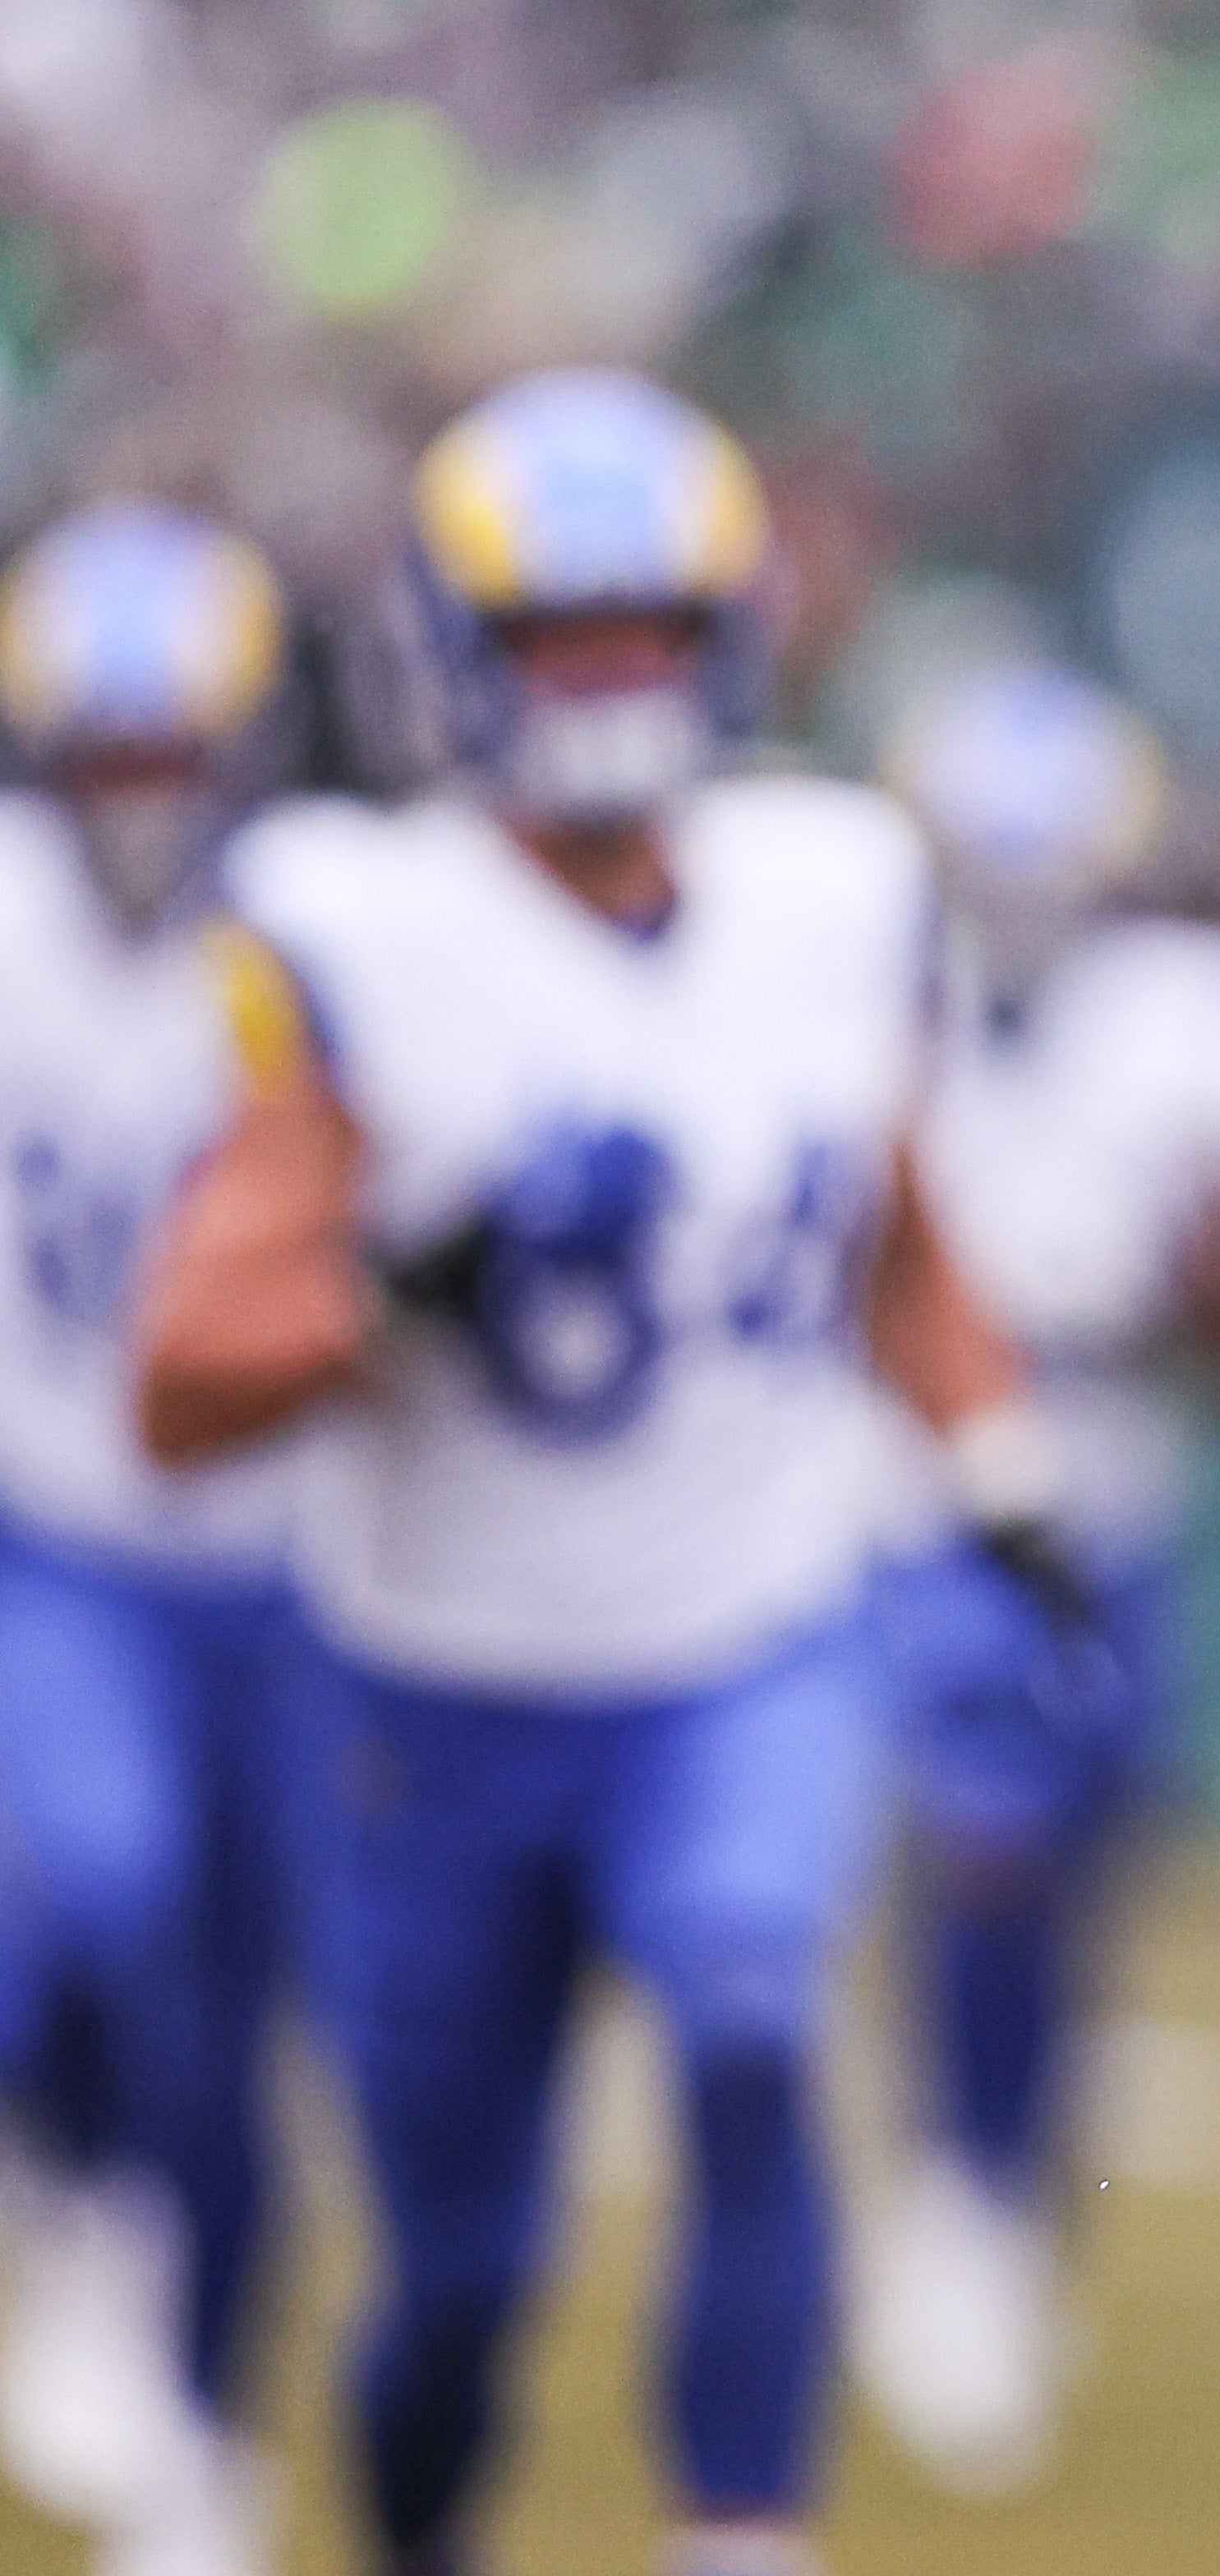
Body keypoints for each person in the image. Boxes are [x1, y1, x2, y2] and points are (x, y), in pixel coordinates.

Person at [130, 371, 1089, 2576]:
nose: (607, 685)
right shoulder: (357, 926)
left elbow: (894, 1233)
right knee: (460, 2265)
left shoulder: (838, 886)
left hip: (743, 1637)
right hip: (435, 1683)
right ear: (458, 656)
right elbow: (183, 1383)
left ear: (728, 636)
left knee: (752, 2018)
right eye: (557, 640)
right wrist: (397, 1289)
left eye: (644, 631)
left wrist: (1001, 1463)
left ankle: (740, 2533)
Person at [852, 656, 1220, 2486]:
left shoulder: (1185, 1011)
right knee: (981, 1840)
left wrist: (1208, 1289)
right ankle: (954, 2196)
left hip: (1121, 1488)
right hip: (918, 1480)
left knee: (1087, 1854)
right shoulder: (867, 994)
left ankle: (1003, 2190)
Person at [0, 503, 304, 2576]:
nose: (138, 795)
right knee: (94, 1885)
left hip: (285, 1554)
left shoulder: (319, 932)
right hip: (57, 1522)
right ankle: (78, 2194)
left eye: (168, 749)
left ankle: (208, 2424)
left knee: (239, 2013)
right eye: (103, 752)